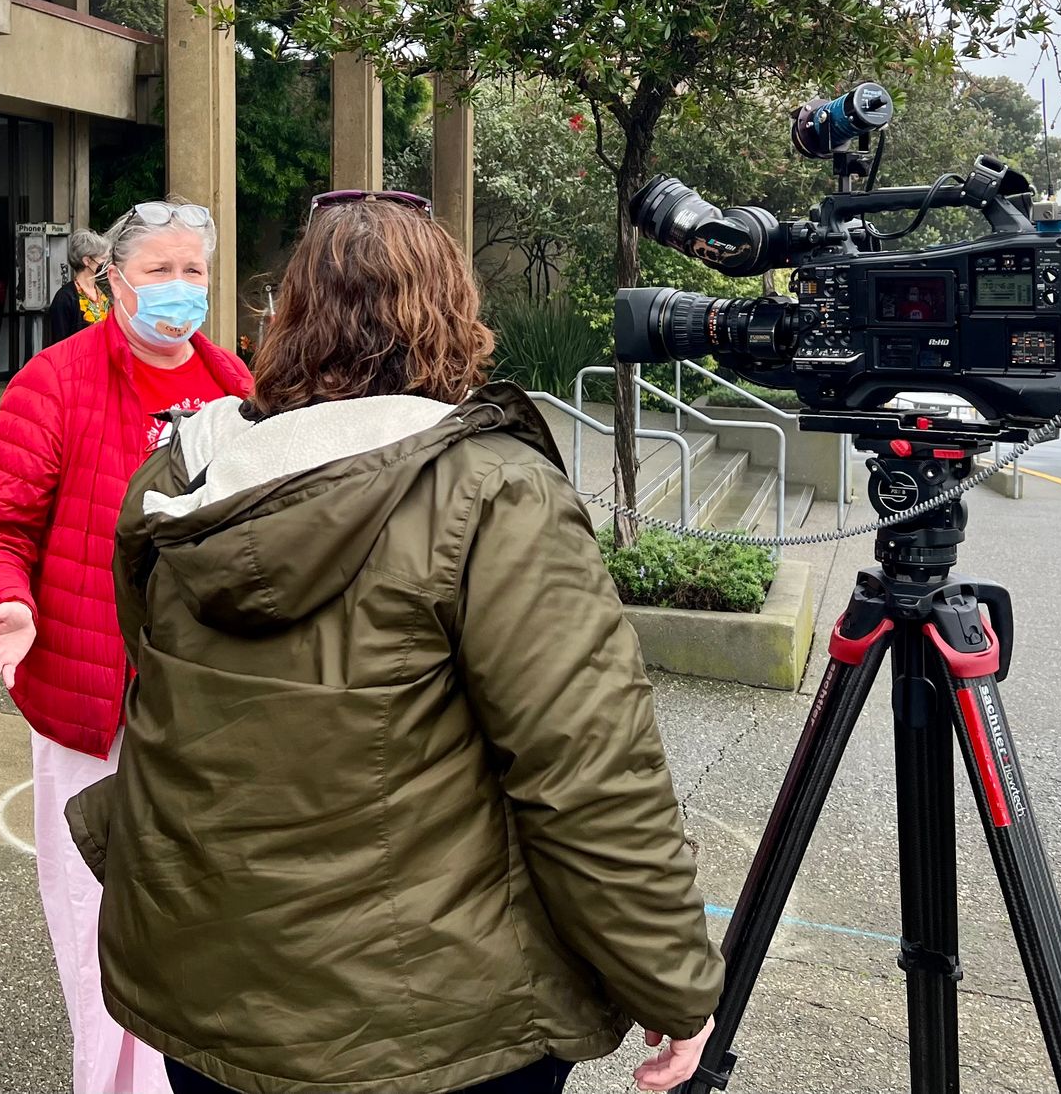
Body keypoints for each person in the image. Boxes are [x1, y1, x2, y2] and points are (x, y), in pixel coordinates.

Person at [71, 192, 724, 1094]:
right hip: (432, 1027)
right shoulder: (492, 492)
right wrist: (671, 980)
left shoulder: (188, 473)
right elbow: (587, 771)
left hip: (202, 991)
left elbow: (153, 672)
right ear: (454, 314)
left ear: (288, 315)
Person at [0, 199, 252, 1094]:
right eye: (157, 271)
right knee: (96, 915)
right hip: (91, 704)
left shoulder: (240, 386)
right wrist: (8, 603)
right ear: (107, 281)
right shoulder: (54, 382)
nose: (178, 289)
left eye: (193, 271)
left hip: (210, 705)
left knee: (207, 915)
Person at [46, 230, 111, 344]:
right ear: (87, 261)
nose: (106, 264)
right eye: (103, 259)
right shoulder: (65, 298)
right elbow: (59, 343)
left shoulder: (102, 293)